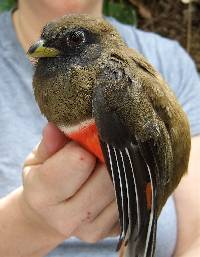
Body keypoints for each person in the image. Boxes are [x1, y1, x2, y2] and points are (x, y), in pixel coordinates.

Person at [0, 1, 199, 257]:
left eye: (73, 40)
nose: (44, 48)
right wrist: (31, 219)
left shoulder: (119, 75)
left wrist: (138, 211)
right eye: (47, 40)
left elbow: (197, 236)